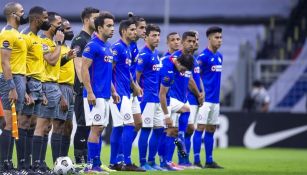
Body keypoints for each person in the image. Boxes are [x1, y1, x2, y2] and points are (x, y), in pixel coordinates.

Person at [81, 12, 119, 174]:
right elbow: (84, 69)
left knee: (100, 128)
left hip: (105, 95)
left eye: (113, 25)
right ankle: (90, 165)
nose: (112, 29)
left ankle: (96, 163)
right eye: (109, 26)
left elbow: (106, 74)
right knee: (96, 128)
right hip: (94, 96)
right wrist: (89, 92)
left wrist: (113, 90)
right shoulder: (92, 45)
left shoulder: (108, 47)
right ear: (99, 28)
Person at [159, 31, 203, 170]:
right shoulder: (172, 60)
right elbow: (163, 88)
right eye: (189, 41)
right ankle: (166, 161)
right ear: (183, 43)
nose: (193, 43)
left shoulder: (190, 59)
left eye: (194, 41)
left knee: (181, 129)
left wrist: (199, 94)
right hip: (170, 99)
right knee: (169, 131)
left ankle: (175, 161)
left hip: (183, 99)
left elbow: (189, 79)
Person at [109, 19, 144, 172]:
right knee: (128, 125)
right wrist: (113, 91)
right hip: (118, 93)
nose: (134, 32)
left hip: (126, 92)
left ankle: (114, 161)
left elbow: (127, 72)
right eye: (131, 30)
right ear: (123, 31)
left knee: (123, 126)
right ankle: (126, 161)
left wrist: (135, 85)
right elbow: (109, 70)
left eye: (135, 30)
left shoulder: (128, 48)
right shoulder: (117, 48)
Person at [32, 11, 65, 174]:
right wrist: (59, 44)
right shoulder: (44, 42)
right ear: (50, 25)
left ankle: (41, 162)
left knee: (47, 128)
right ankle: (36, 163)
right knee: (41, 126)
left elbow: (55, 65)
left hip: (53, 85)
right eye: (58, 23)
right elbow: (51, 60)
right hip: (45, 85)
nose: (61, 27)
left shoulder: (51, 42)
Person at [20, 6, 51, 174]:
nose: (47, 21)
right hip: (29, 83)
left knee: (33, 124)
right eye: (45, 18)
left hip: (39, 84)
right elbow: (21, 64)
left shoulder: (38, 38)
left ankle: (31, 165)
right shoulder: (24, 36)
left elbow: (40, 66)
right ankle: (23, 165)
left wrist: (43, 91)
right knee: (23, 123)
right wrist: (25, 90)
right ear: (36, 19)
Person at [0, 2, 28, 174]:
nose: (23, 14)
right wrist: (11, 87)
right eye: (21, 12)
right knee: (9, 124)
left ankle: (9, 164)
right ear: (13, 15)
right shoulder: (7, 34)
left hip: (19, 79)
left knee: (15, 124)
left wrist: (24, 88)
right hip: (9, 79)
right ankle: (3, 165)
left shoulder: (17, 34)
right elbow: (5, 62)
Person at [70, 7, 100, 166]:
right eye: (96, 18)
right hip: (83, 90)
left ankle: (89, 159)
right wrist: (86, 88)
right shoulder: (79, 40)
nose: (99, 21)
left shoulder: (93, 40)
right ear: (87, 20)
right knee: (82, 124)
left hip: (92, 90)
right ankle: (79, 160)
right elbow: (78, 66)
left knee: (92, 125)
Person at [136, 24, 166, 171]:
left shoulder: (156, 54)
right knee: (146, 130)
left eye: (158, 35)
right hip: (147, 99)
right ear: (146, 37)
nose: (157, 38)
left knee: (159, 129)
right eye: (153, 35)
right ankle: (143, 162)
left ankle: (152, 161)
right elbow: (136, 77)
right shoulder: (144, 55)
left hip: (157, 99)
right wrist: (139, 93)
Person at [193, 26, 224, 169]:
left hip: (215, 100)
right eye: (216, 37)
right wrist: (199, 94)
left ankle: (210, 160)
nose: (219, 40)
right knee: (200, 128)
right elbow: (195, 76)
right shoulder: (202, 57)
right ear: (210, 38)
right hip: (204, 100)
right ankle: (197, 161)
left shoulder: (219, 57)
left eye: (221, 37)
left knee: (211, 129)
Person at [56, 18, 77, 161]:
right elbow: (51, 73)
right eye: (67, 28)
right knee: (58, 126)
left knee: (68, 127)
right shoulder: (55, 48)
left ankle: (64, 160)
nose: (71, 31)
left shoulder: (68, 49)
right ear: (59, 31)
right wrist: (60, 95)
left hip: (70, 89)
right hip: (60, 89)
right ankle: (57, 160)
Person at [184, 30, 204, 168]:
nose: (195, 43)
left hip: (195, 99)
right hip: (188, 98)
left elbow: (198, 78)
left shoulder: (194, 60)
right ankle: (182, 160)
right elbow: (190, 81)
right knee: (187, 129)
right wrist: (198, 94)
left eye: (196, 40)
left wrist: (203, 92)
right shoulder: (185, 59)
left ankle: (185, 160)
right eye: (192, 40)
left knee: (190, 131)